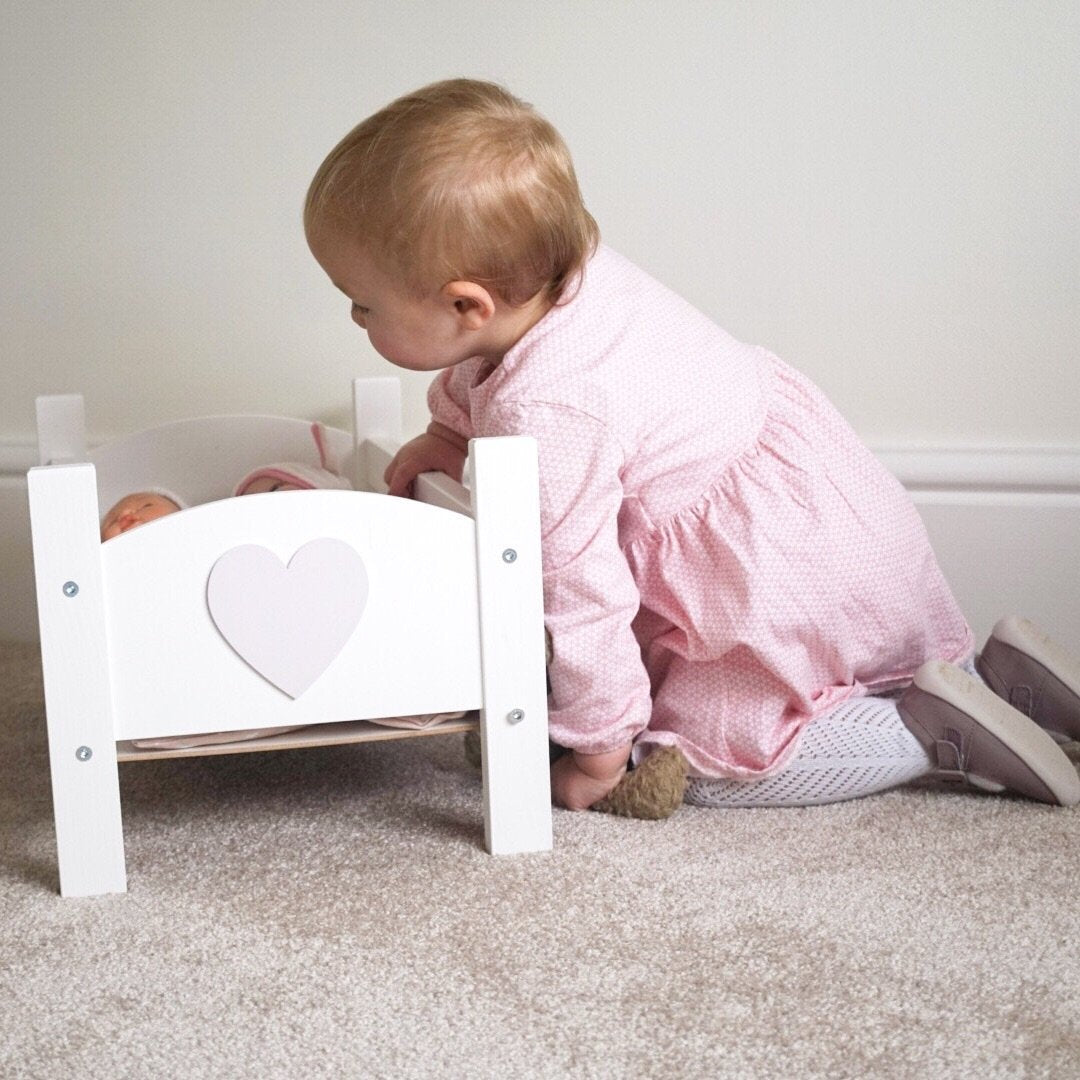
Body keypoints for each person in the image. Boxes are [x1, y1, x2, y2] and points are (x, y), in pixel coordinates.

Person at [303, 78, 1080, 817]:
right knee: (793, 691)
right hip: (824, 517)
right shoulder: (566, 276)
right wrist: (450, 431)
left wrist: (602, 748)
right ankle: (997, 678)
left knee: (703, 758)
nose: (354, 317)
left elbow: (578, 589)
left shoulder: (548, 409)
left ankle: (924, 736)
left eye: (362, 303)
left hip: (769, 578)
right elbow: (486, 370)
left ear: (467, 303)